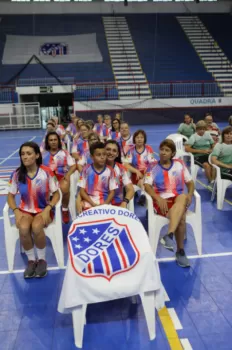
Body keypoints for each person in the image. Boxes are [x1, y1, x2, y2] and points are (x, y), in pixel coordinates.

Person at [7, 142, 60, 278]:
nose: (25, 157)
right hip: (25, 210)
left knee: (37, 227)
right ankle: (31, 261)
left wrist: (49, 208)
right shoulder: (17, 174)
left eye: (29, 153)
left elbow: (57, 194)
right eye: (22, 154)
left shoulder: (47, 172)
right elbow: (10, 197)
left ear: (37, 155)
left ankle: (42, 260)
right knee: (23, 229)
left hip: (44, 209)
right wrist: (16, 210)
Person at [144, 139, 194, 268]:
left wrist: (190, 194)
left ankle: (169, 235)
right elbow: (147, 186)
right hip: (163, 201)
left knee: (182, 196)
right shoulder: (153, 167)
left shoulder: (180, 164)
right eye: (162, 150)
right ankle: (180, 251)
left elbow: (190, 183)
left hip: (178, 199)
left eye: (167, 150)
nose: (163, 153)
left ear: (172, 154)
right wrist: (157, 198)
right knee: (181, 219)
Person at [42, 132, 76, 224]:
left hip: (60, 177)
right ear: (47, 142)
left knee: (65, 188)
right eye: (51, 140)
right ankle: (50, 209)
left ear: (58, 141)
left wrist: (68, 174)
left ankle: (64, 209)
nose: (53, 142)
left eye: (55, 140)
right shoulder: (43, 154)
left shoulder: (64, 153)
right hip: (47, 179)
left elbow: (73, 166)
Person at [78, 142, 118, 210]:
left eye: (104, 154)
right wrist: (93, 204)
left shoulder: (111, 171)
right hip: (88, 203)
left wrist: (104, 205)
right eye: (98, 155)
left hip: (105, 203)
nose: (102, 157)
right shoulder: (85, 170)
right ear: (92, 157)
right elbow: (82, 191)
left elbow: (112, 192)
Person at [123, 130, 155, 205]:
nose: (139, 139)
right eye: (137, 137)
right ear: (134, 139)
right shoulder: (131, 150)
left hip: (147, 173)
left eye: (141, 137)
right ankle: (144, 195)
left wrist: (146, 172)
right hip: (136, 174)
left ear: (144, 139)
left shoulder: (148, 149)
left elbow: (152, 164)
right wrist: (137, 171)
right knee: (142, 180)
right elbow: (126, 164)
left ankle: (142, 195)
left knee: (144, 179)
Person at [105, 140, 134, 207]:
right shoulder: (96, 167)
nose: (111, 152)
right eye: (108, 149)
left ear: (117, 154)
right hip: (99, 206)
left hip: (117, 206)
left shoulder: (121, 169)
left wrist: (124, 202)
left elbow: (130, 189)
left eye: (114, 151)